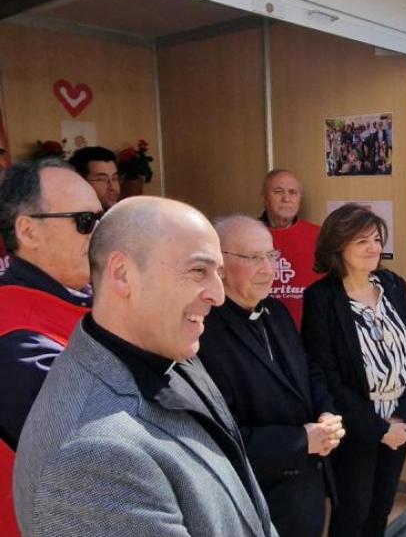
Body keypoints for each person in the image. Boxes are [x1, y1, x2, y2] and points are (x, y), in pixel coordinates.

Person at [14, 196, 275, 536]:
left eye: (218, 273)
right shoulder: (93, 458)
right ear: (122, 274)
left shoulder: (168, 349)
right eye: (198, 270)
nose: (218, 294)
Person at [197, 216, 344, 537]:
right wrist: (302, 440)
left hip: (306, 491)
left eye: (271, 256)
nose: (269, 269)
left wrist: (326, 412)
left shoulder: (276, 311)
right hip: (258, 503)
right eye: (254, 258)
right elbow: (217, 438)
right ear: (219, 265)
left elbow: (309, 371)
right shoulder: (201, 334)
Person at [301, 204, 406, 536]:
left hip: (400, 418)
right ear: (337, 246)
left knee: (380, 509)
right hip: (357, 423)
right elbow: (327, 375)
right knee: (351, 514)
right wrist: (377, 428)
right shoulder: (321, 298)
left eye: (376, 239)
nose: (374, 248)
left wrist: (404, 418)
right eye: (362, 241)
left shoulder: (393, 285)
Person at [0, 159, 100, 535]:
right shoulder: (12, 329)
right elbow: (94, 444)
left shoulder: (85, 298)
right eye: (85, 222)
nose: (100, 233)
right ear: (28, 231)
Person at [259, 169, 323, 327]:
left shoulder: (320, 236)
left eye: (293, 192)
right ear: (264, 198)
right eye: (278, 191)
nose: (286, 198)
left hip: (311, 331)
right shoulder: (245, 235)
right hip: (261, 329)